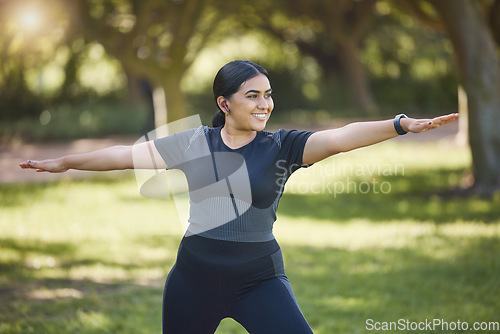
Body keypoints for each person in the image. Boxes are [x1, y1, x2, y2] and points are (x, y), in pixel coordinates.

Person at [19, 60, 459, 334]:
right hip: (193, 280)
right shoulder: (195, 142)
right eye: (253, 96)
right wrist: (66, 163)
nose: (265, 104)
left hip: (258, 280)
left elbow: (342, 137)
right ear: (225, 103)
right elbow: (128, 155)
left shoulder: (285, 146)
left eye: (267, 95)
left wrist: (401, 124)